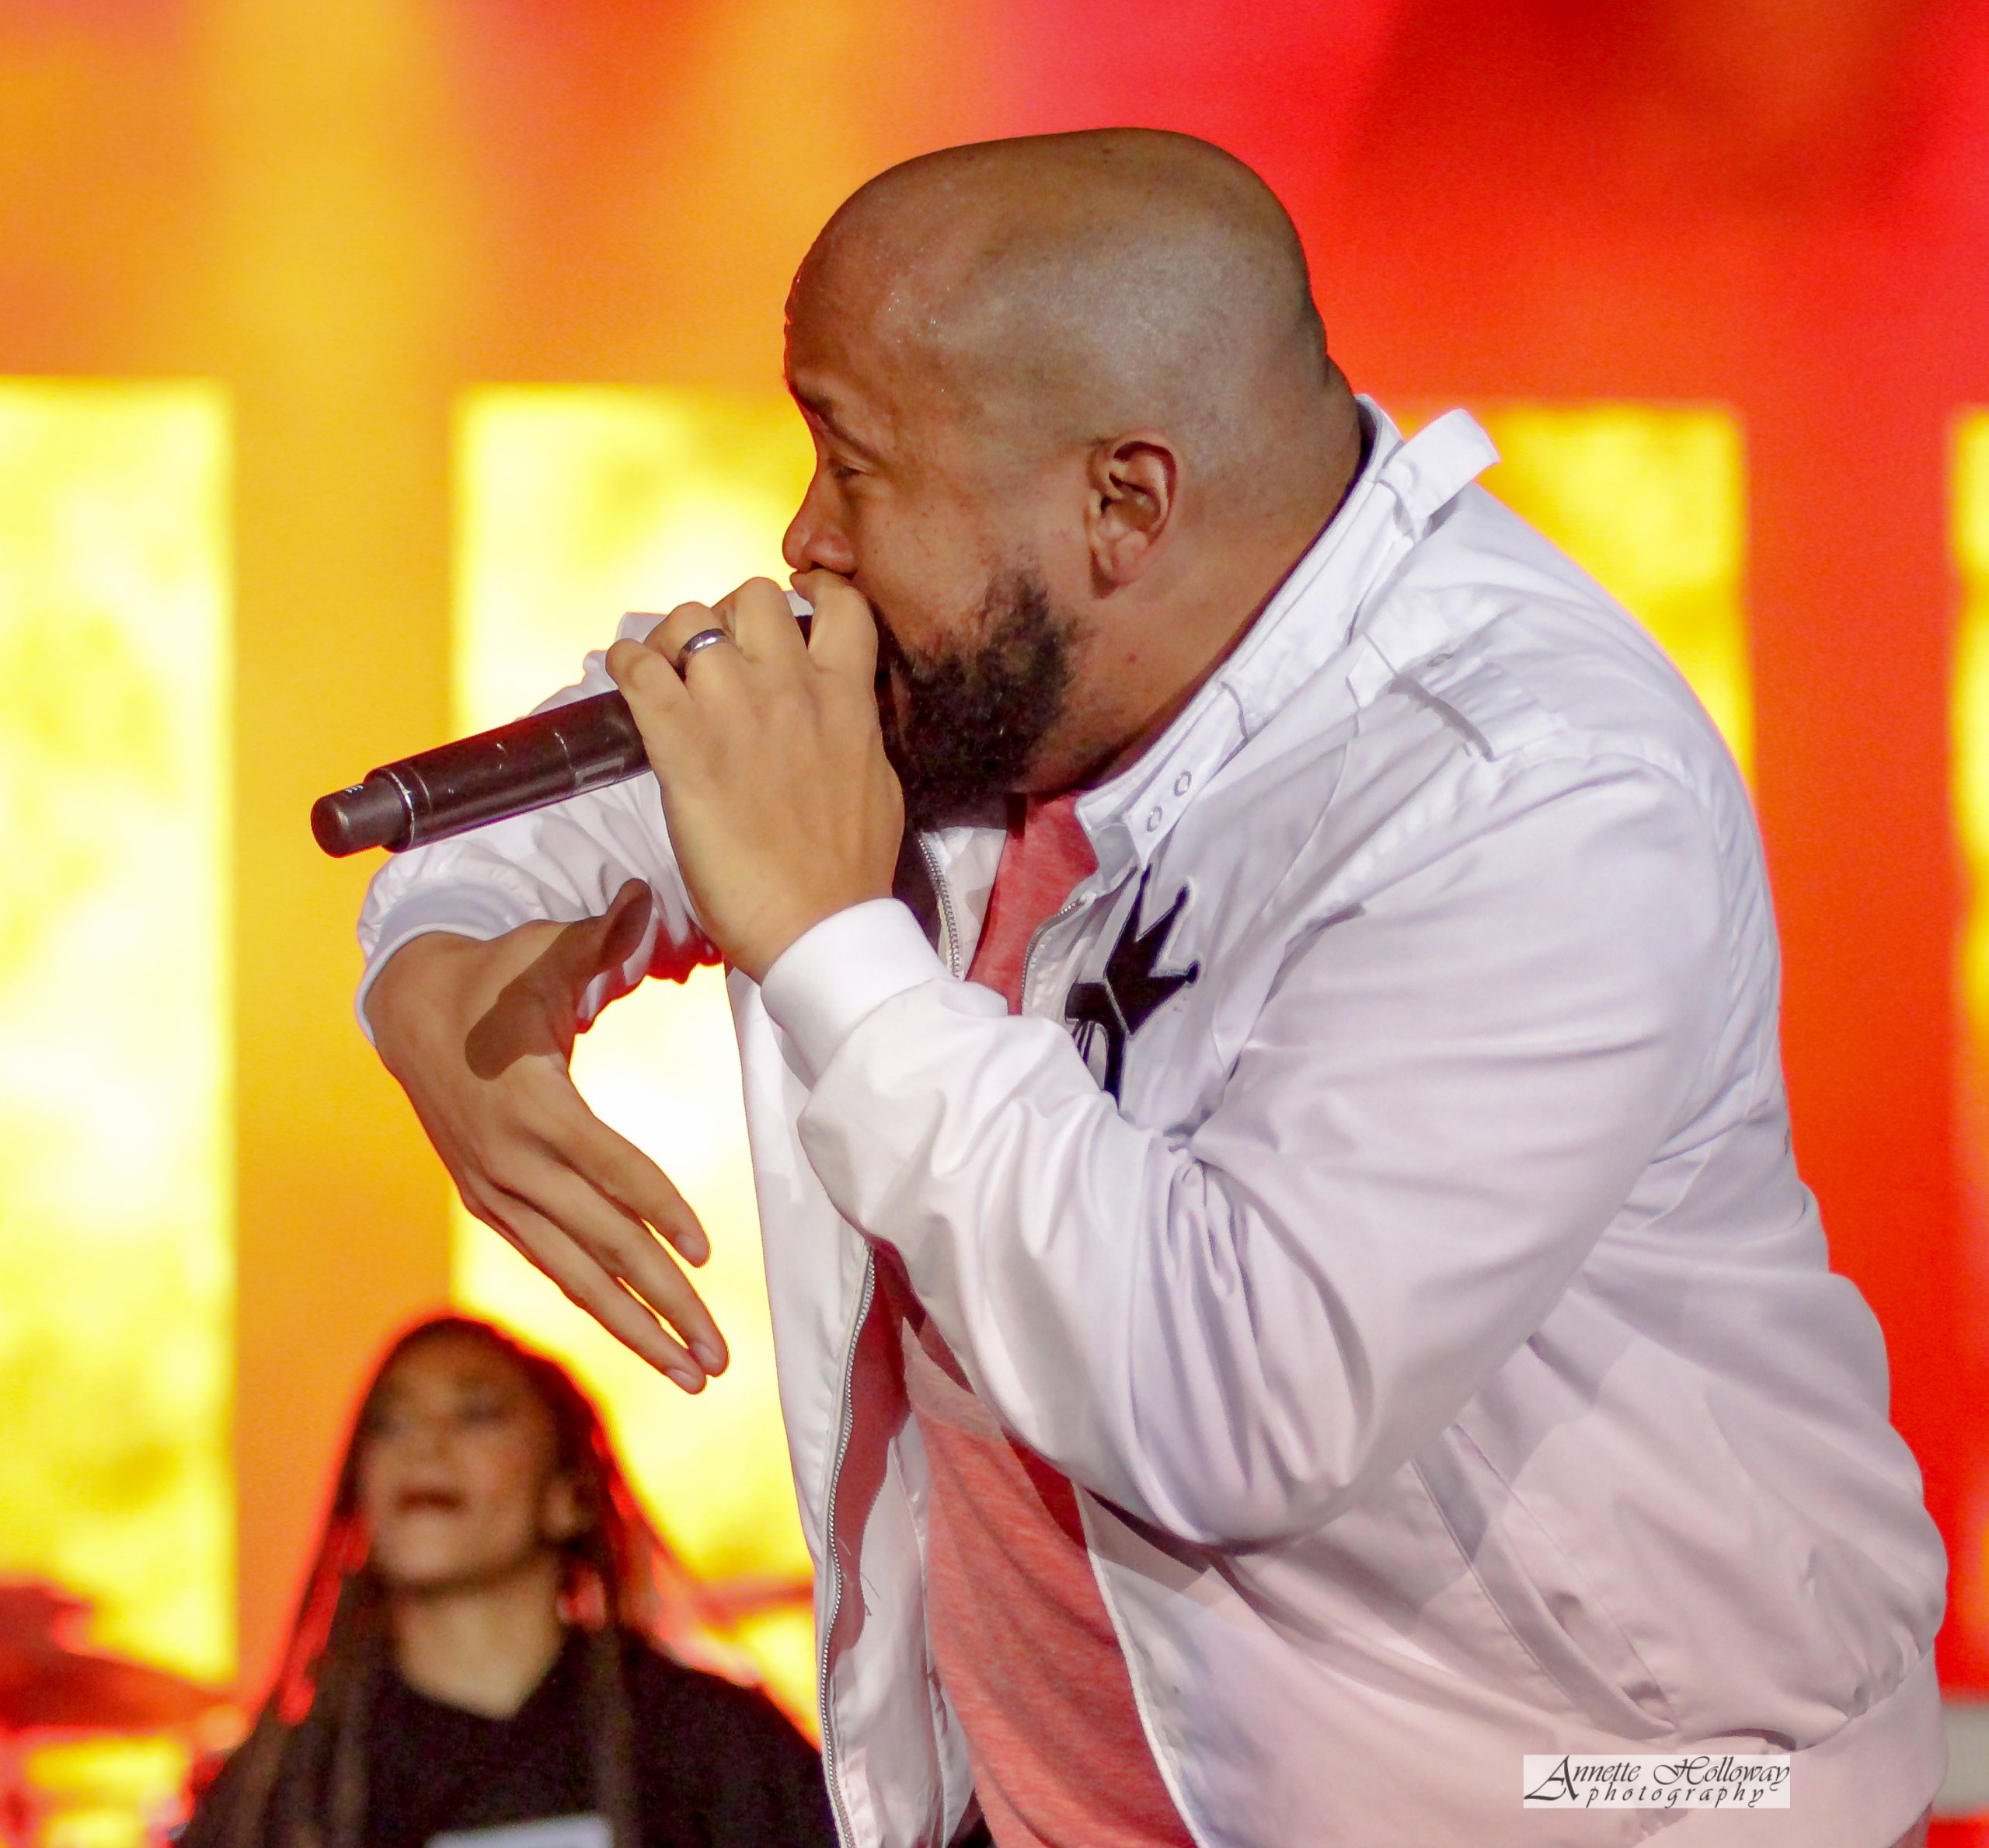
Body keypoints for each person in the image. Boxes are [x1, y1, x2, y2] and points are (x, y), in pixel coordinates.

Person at [354, 130, 1947, 1846]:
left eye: (855, 461)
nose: (804, 535)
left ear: (1123, 502)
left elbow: (1231, 1398)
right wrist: (429, 987)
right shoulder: (989, 666)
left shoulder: (1526, 790)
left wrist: (831, 946)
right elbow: (559, 804)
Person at [185, 1314, 834, 1848]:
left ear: (568, 1497)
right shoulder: (290, 1789)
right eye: (391, 1424)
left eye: (475, 1415)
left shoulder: (710, 1743)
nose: (424, 1446)